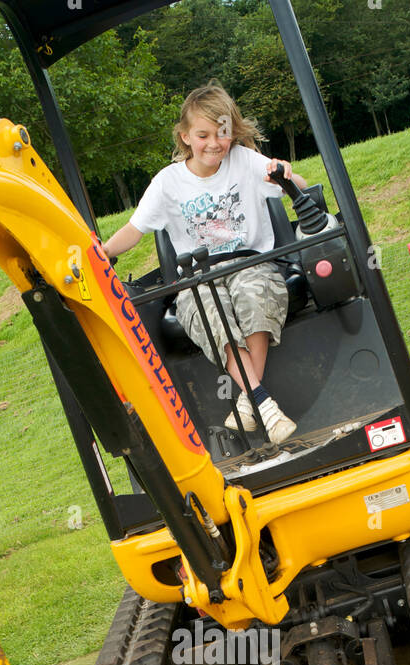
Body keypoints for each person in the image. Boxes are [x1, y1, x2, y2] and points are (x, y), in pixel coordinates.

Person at [102, 83, 308, 445]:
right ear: (185, 137)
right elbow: (134, 230)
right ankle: (264, 403)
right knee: (209, 309)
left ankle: (250, 403)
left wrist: (286, 173)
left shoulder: (244, 161)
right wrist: (101, 254)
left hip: (250, 262)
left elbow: (297, 186)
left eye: (221, 133)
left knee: (253, 293)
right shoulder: (168, 183)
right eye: (203, 134)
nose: (214, 143)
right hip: (198, 277)